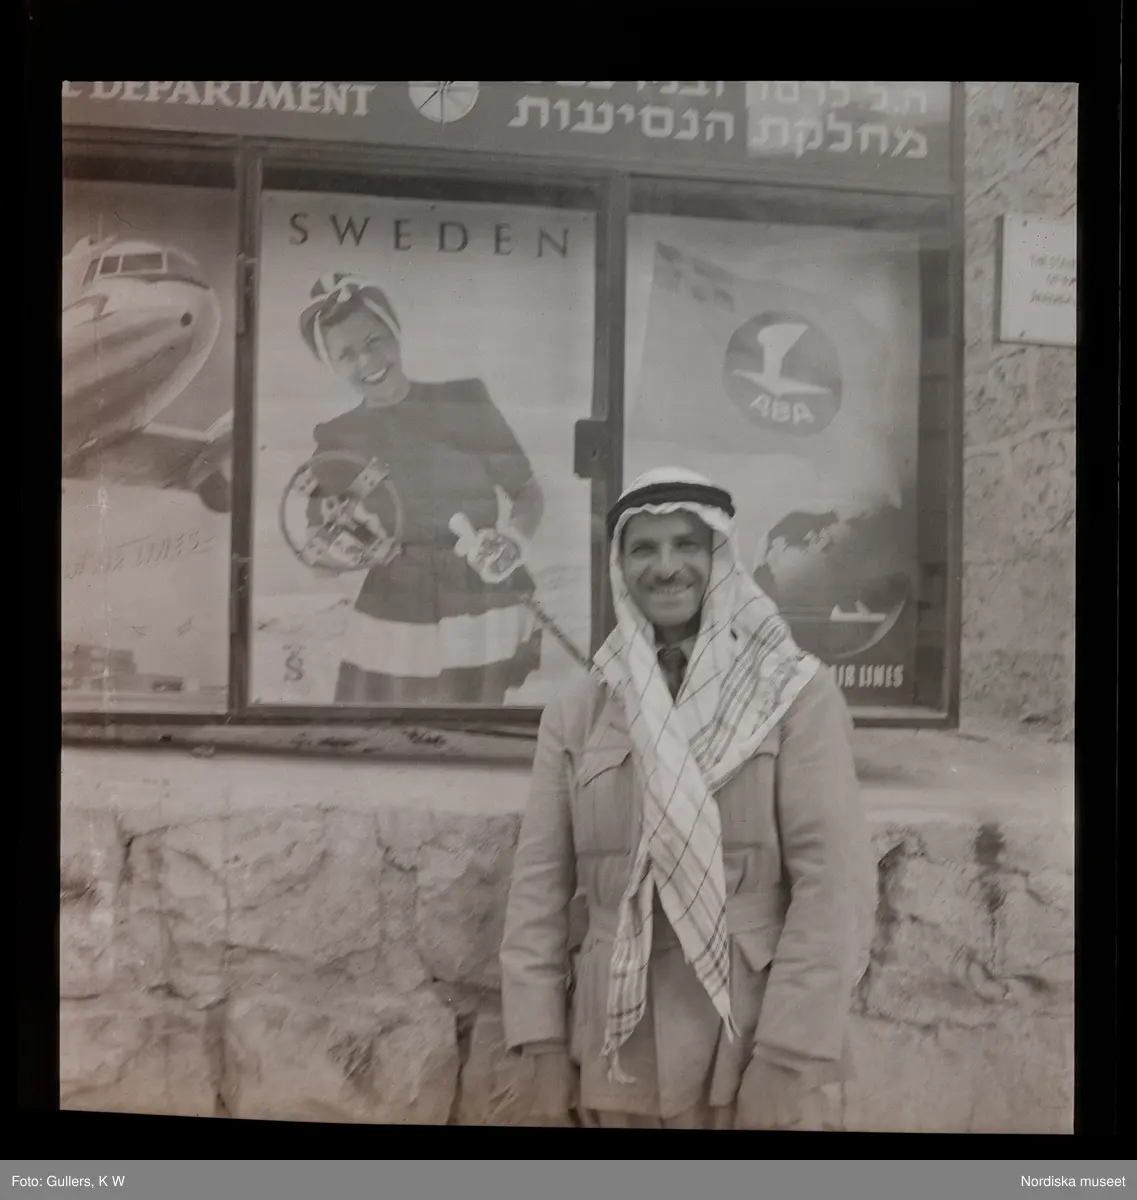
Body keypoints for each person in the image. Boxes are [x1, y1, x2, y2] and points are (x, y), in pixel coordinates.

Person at [499, 466, 877, 1129]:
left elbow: (833, 886)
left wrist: (786, 1056)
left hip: (743, 1044)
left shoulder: (793, 694)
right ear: (620, 567)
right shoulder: (580, 709)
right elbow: (538, 886)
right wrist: (541, 1042)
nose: (666, 567)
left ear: (720, 556)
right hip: (613, 1051)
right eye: (643, 548)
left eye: (686, 544)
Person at [296, 272, 544, 705]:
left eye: (374, 340)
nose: (366, 361)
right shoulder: (338, 439)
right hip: (396, 616)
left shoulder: (464, 402)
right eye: (345, 354)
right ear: (331, 365)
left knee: (482, 729)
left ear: (395, 333)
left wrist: (512, 541)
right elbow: (319, 552)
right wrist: (346, 552)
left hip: (483, 599)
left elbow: (527, 492)